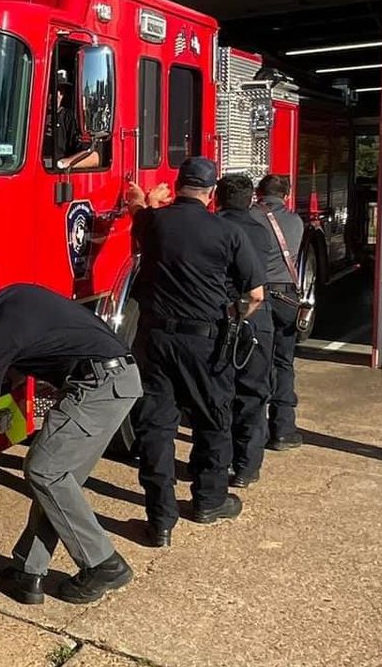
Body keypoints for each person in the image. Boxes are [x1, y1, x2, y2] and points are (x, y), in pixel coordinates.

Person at [0, 282, 139, 606]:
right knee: (59, 481)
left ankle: (104, 563)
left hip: (98, 384)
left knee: (44, 471)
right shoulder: (14, 297)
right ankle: (28, 571)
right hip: (113, 378)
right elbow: (42, 345)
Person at [122, 158, 263, 546]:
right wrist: (233, 318)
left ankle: (161, 519)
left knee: (156, 425)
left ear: (179, 184)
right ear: (212, 192)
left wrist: (140, 199)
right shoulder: (228, 231)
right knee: (212, 418)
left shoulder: (155, 223)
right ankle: (208, 500)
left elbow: (139, 213)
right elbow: (255, 295)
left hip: (154, 338)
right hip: (205, 340)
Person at [215, 173, 282, 488]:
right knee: (254, 393)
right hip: (256, 317)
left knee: (220, 391)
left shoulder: (213, 227)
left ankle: (219, 460)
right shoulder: (261, 231)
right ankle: (246, 467)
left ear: (218, 198)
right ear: (251, 199)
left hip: (221, 314)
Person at [253, 174, 307, 452]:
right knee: (283, 363)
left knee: (254, 365)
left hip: (257, 296)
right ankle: (284, 430)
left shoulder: (251, 218)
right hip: (286, 296)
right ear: (286, 195)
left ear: (258, 193)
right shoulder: (296, 221)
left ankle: (255, 431)